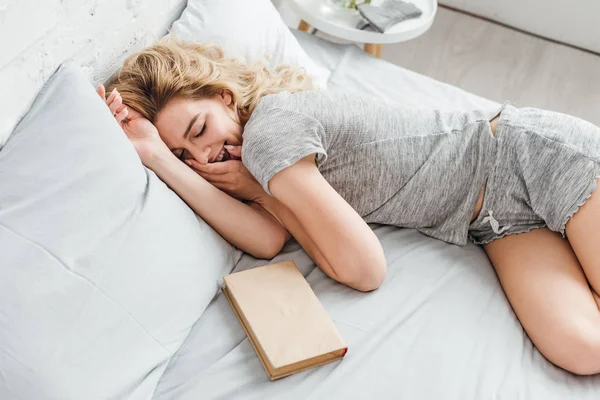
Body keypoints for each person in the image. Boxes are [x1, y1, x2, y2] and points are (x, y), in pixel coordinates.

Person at [98, 37, 600, 375]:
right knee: (582, 349)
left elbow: (365, 269)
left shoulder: (270, 134)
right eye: (188, 157)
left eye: (200, 131)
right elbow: (269, 238)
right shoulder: (258, 174)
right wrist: (160, 159)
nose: (206, 158)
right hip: (493, 220)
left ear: (226, 98)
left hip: (529, 156)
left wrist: (232, 176)